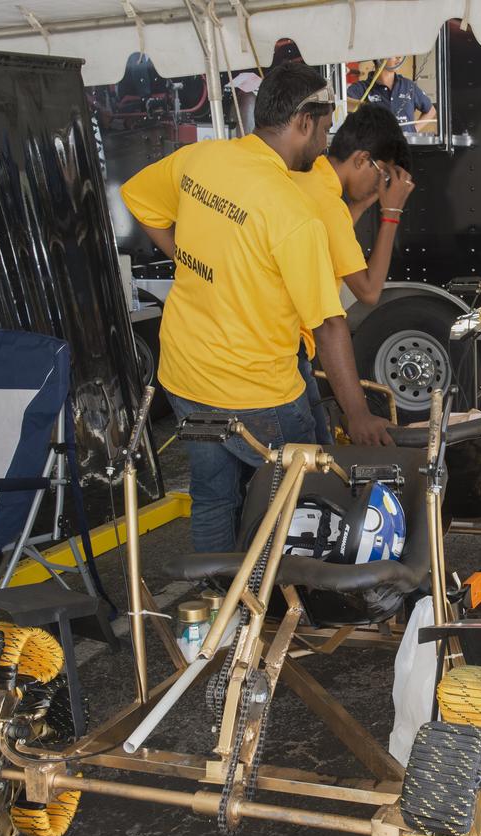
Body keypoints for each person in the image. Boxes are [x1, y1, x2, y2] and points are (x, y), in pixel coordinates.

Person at [121, 63, 394, 553]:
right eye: (325, 129)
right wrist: (357, 414)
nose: (324, 144)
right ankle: (281, 594)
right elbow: (329, 325)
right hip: (257, 391)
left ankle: (219, 598)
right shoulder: (290, 211)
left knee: (213, 498)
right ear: (304, 122)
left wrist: (190, 260)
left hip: (185, 372)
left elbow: (139, 199)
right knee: (301, 502)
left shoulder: (201, 159)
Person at [290, 104, 416, 443]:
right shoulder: (328, 203)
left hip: (271, 344)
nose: (383, 185)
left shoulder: (312, 173)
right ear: (362, 159)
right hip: (287, 349)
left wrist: (362, 202)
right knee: (308, 455)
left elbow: (335, 233)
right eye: (383, 175)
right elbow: (369, 291)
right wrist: (391, 212)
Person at [347, 57, 436, 132]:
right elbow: (344, 102)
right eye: (393, 53)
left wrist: (413, 130)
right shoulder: (361, 87)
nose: (399, 57)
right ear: (379, 58)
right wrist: (367, 108)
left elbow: (430, 110)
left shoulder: (408, 85)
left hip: (405, 146)